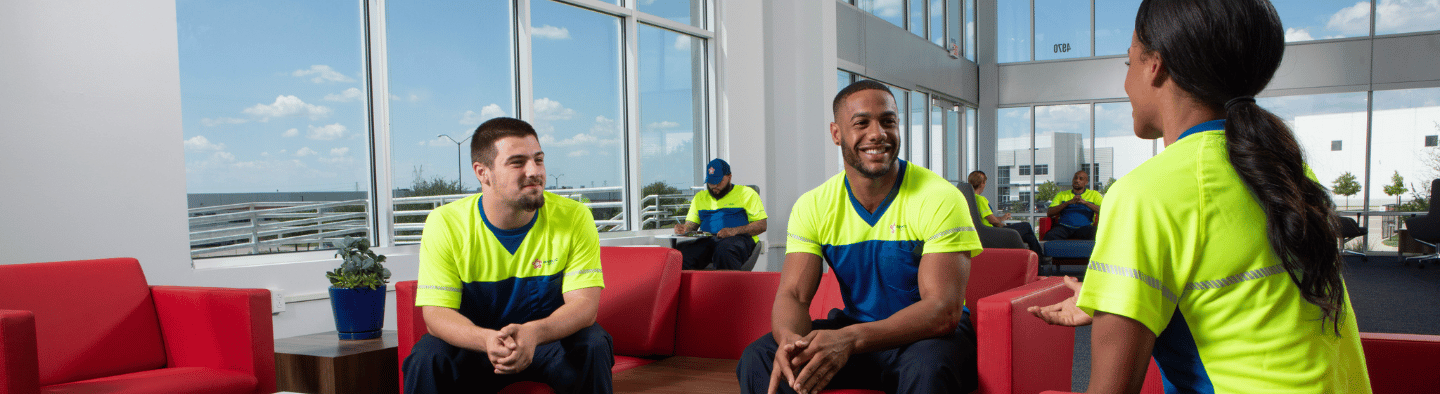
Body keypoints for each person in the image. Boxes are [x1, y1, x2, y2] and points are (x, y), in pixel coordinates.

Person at [1028, 0, 1371, 392]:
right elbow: (1248, 307)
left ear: (1154, 65)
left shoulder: (1146, 192)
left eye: (1129, 63)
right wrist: (1112, 298)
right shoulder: (1283, 169)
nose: (1126, 83)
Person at [736, 80, 984, 394]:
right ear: (836, 133)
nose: (877, 133)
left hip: (926, 338)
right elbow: (794, 296)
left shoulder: (940, 197)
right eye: (861, 123)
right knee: (760, 357)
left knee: (928, 368)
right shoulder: (813, 205)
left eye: (888, 121)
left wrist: (850, 340)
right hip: (854, 332)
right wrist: (790, 341)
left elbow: (942, 311)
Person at [404, 117, 613, 394]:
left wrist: (533, 333)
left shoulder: (575, 217)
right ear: (483, 172)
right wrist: (486, 340)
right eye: (517, 162)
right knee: (427, 355)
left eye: (538, 160)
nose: (534, 171)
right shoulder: (445, 223)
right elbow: (437, 314)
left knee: (593, 342)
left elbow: (584, 306)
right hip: (478, 344)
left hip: (545, 341)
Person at [673, 158, 768, 270]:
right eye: (711, 182)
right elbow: (691, 224)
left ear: (729, 177)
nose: (714, 186)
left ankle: (727, 287)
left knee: (724, 251)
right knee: (680, 255)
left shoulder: (747, 193)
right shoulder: (700, 197)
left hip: (738, 239)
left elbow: (761, 225)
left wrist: (733, 231)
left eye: (718, 182)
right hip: (708, 240)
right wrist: (684, 228)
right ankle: (692, 287)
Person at [968, 170, 1044, 258]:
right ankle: (1041, 260)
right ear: (982, 183)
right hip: (992, 233)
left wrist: (1002, 218)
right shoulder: (980, 199)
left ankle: (1040, 260)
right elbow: (993, 221)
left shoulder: (971, 199)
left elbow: (987, 218)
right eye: (985, 182)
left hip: (984, 232)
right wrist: (1002, 226)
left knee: (1029, 238)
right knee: (1026, 226)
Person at [1043, 170, 1103, 240]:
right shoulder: (1062, 194)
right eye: (1075, 178)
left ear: (1086, 182)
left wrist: (1086, 203)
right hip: (1064, 228)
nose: (1077, 180)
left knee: (1096, 233)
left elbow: (1104, 210)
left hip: (1084, 228)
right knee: (1049, 236)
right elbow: (1049, 213)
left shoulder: (1094, 194)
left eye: (1081, 179)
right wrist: (1068, 203)